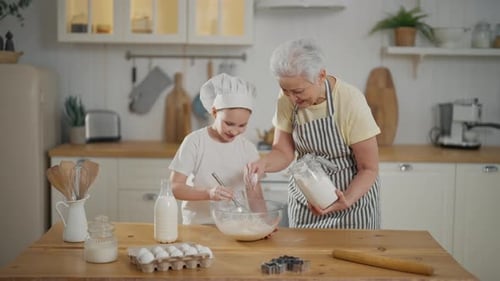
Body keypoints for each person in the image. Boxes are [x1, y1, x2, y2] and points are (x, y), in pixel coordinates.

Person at [246, 38, 381, 229]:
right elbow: (283, 153)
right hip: (306, 205)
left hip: (351, 204)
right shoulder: (288, 99)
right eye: (285, 90)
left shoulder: (350, 101)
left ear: (321, 76)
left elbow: (369, 168)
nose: (292, 98)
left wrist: (346, 200)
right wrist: (263, 164)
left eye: (298, 91)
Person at [169, 73, 263, 225]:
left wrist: (263, 223)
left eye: (242, 125)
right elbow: (174, 187)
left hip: (236, 225)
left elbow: (255, 193)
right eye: (229, 123)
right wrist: (208, 193)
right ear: (214, 112)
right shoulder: (195, 142)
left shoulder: (248, 149)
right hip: (199, 226)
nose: (234, 131)